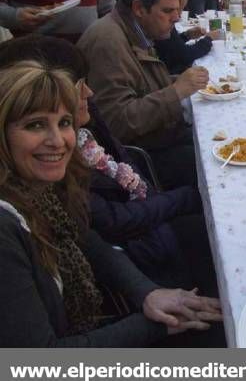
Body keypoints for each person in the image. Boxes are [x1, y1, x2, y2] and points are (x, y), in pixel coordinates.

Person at [0, 62, 222, 347]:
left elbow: (84, 238)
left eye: (64, 123)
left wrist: (147, 292)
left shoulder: (35, 187)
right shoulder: (6, 229)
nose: (57, 141)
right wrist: (158, 325)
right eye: (35, 125)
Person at [77, 0, 209, 190]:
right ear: (139, 8)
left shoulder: (134, 31)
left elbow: (141, 84)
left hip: (159, 138)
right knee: (215, 164)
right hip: (143, 158)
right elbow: (116, 123)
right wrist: (176, 91)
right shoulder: (108, 42)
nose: (176, 18)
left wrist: (180, 82)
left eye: (177, 10)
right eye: (168, 11)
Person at [154, 0, 218, 74]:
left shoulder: (166, 20)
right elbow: (185, 56)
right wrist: (208, 39)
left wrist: (186, 35)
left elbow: (171, 46)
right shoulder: (162, 20)